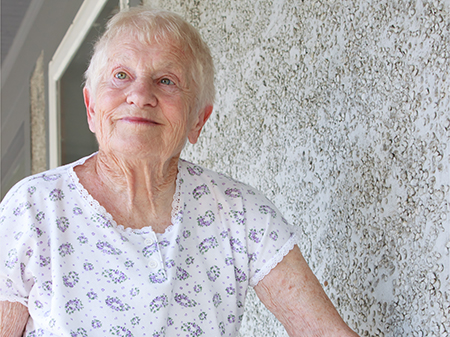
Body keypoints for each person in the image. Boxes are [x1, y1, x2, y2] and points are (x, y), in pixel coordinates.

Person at [0, 6, 358, 337]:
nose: (140, 94)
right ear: (92, 108)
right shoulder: (35, 207)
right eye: (121, 75)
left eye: (166, 80)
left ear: (197, 120)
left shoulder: (239, 214)